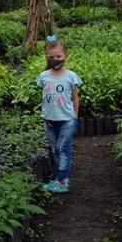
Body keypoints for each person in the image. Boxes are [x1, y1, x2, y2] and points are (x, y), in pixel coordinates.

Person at [37, 36, 82, 193]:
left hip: (67, 120)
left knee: (63, 149)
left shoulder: (72, 77)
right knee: (55, 150)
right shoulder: (43, 77)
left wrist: (75, 117)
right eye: (51, 57)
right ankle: (61, 178)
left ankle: (62, 182)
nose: (55, 59)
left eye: (58, 56)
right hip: (49, 120)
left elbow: (75, 99)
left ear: (65, 56)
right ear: (47, 58)